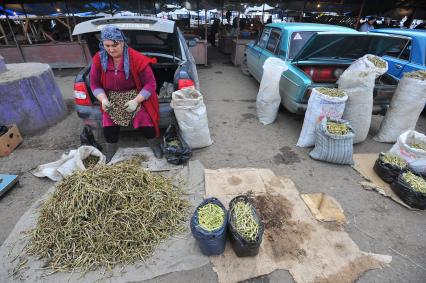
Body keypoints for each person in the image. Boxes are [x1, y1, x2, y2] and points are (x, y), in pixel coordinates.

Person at [90, 25, 162, 161]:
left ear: (122, 42)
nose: (111, 49)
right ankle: (111, 150)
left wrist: (136, 101)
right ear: (102, 44)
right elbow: (94, 84)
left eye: (115, 45)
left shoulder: (136, 58)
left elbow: (151, 84)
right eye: (107, 45)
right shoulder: (98, 59)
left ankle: (155, 145)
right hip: (110, 97)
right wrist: (103, 100)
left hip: (134, 96)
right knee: (108, 124)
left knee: (146, 121)